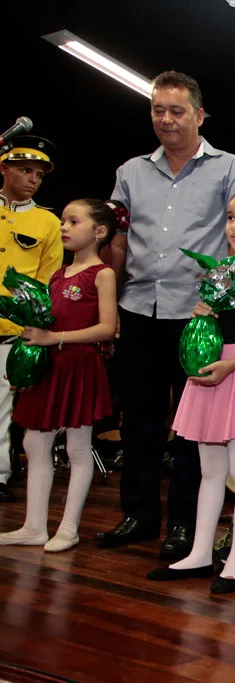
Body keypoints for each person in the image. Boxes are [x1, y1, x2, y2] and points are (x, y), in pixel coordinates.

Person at [97, 71, 235, 561]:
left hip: (199, 316)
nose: (166, 119)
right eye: (158, 110)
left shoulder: (230, 169)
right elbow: (117, 242)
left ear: (200, 116)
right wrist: (111, 303)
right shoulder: (130, 172)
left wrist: (223, 302)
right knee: (139, 419)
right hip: (139, 309)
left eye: (177, 110)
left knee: (191, 427)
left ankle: (186, 523)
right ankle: (139, 515)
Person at [147, 188, 235, 594]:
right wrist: (202, 320)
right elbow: (211, 320)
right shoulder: (221, 270)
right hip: (210, 370)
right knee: (209, 470)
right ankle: (199, 553)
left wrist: (230, 364)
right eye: (230, 217)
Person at [0, 199, 117, 551]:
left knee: (78, 448)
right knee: (35, 443)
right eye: (63, 221)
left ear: (99, 232)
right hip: (50, 367)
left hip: (79, 365)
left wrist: (56, 338)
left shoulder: (102, 274)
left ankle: (69, 527)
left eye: (73, 221)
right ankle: (34, 526)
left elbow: (107, 328)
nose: (63, 227)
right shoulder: (55, 275)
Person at [0, 136, 63, 503]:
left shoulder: (47, 222)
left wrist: (38, 326)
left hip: (14, 329)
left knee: (3, 407)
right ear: (4, 168)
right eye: (25, 170)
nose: (33, 179)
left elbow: (49, 278)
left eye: (39, 174)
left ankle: (1, 474)